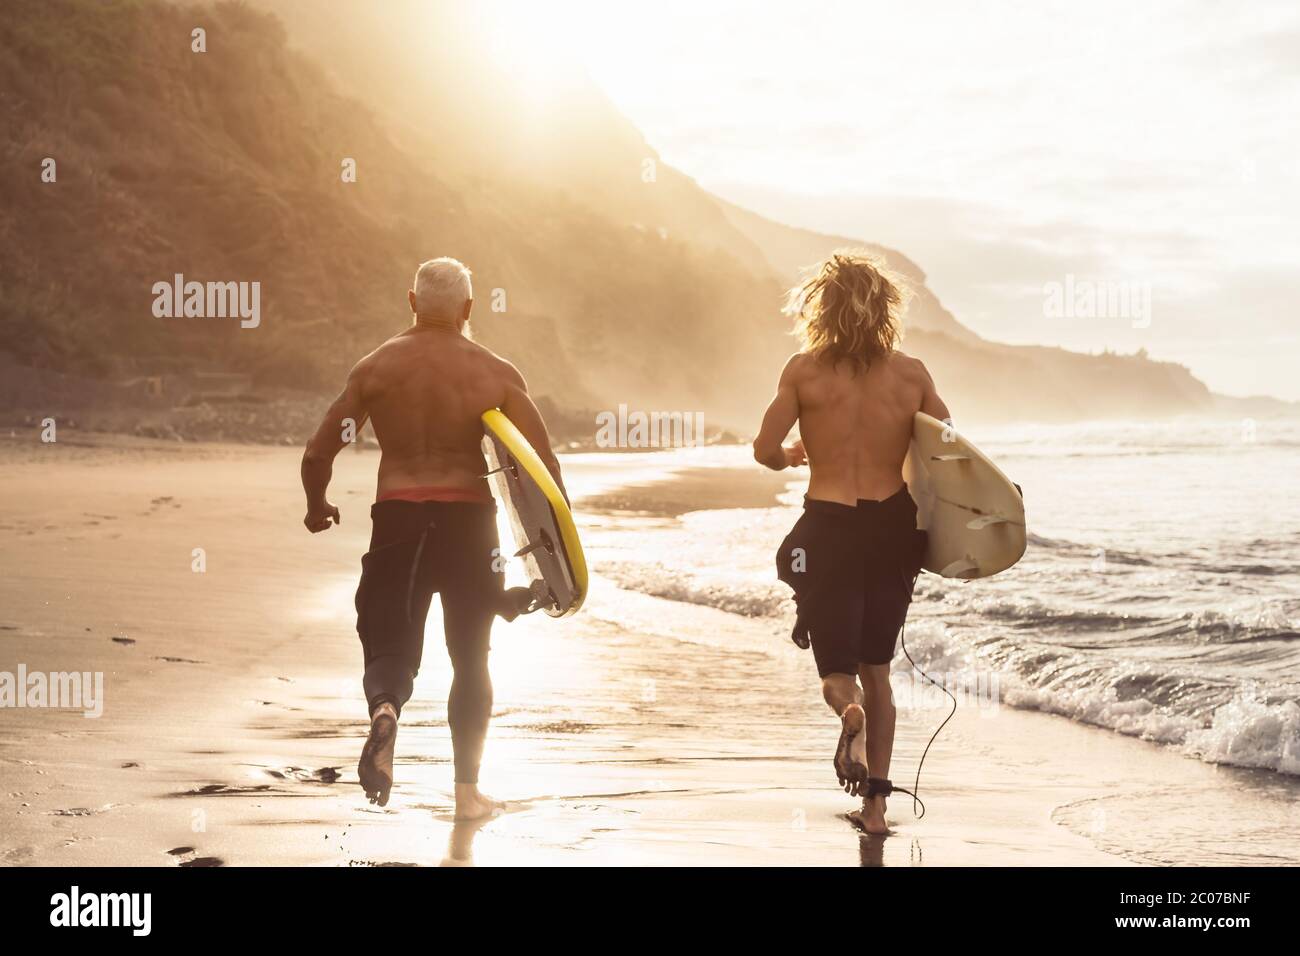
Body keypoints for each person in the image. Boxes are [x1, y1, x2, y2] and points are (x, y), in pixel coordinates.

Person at [300, 257, 566, 818]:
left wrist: (317, 505)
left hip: (398, 516)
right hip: (470, 523)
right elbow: (545, 469)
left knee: (390, 637)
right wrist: (557, 568)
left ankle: (386, 710)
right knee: (471, 657)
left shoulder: (376, 369)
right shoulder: (495, 373)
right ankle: (467, 795)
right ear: (469, 310)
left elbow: (319, 452)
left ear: (412, 302)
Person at [752, 251, 950, 835]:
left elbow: (765, 449)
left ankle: (847, 710)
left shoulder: (804, 371)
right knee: (880, 670)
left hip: (828, 525)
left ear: (822, 307)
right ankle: (877, 809)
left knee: (837, 669)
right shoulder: (911, 374)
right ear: (886, 308)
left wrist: (789, 456)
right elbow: (950, 451)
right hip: (892, 528)